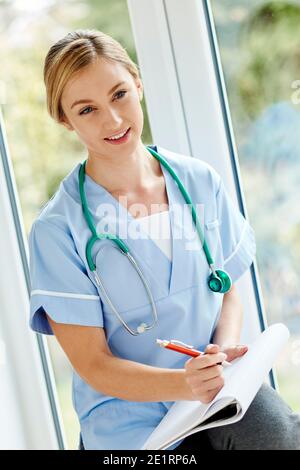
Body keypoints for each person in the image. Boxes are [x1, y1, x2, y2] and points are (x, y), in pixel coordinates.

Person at [28, 29, 300, 450]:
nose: (113, 120)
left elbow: (225, 290)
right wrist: (184, 384)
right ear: (66, 120)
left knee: (281, 437)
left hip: (211, 396)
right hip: (131, 427)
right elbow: (94, 365)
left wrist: (222, 352)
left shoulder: (197, 181)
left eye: (119, 95)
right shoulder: (57, 230)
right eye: (87, 110)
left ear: (137, 83)